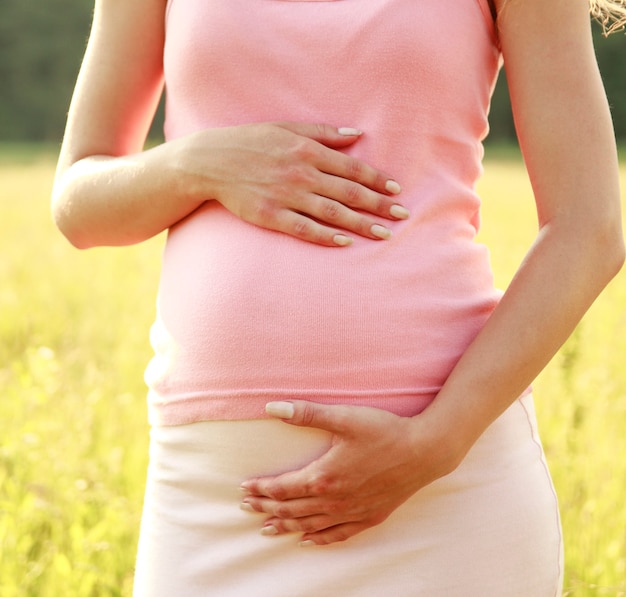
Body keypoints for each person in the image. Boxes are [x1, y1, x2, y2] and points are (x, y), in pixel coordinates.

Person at [52, 0, 625, 595]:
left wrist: (436, 443)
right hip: (216, 503)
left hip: (447, 497)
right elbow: (79, 207)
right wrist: (197, 165)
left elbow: (589, 227)